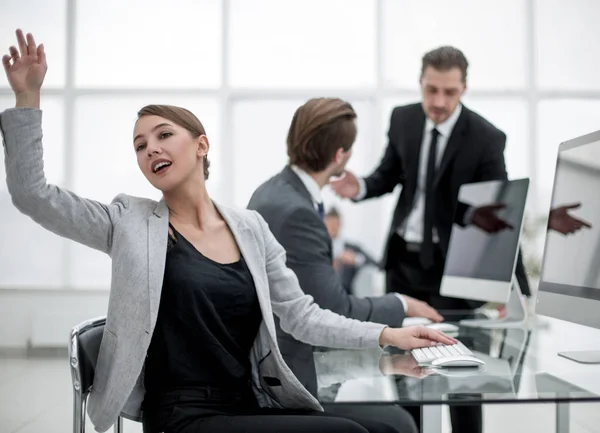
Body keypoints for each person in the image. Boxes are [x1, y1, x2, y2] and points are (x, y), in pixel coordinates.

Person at [1, 30, 457, 433]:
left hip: (249, 399)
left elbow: (303, 315)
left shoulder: (250, 228)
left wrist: (389, 334)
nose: (150, 149)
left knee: (396, 423)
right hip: (182, 414)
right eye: (140, 145)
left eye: (163, 135)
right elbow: (33, 195)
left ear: (201, 145)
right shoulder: (127, 222)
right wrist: (27, 99)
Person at [330, 46, 530, 433]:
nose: (438, 102)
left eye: (449, 93)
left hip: (456, 273)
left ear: (464, 89)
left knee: (464, 384)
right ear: (421, 83)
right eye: (431, 90)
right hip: (405, 266)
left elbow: (501, 213)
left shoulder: (487, 138)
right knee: (408, 380)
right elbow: (387, 174)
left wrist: (515, 288)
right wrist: (361, 187)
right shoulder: (403, 119)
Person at [247, 98, 443, 407]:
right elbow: (332, 308)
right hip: (292, 374)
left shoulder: (273, 191)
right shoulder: (296, 211)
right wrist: (402, 304)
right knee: (398, 422)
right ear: (340, 155)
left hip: (286, 359)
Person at [324, 206, 381, 294]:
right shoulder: (320, 248)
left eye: (336, 224)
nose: (333, 228)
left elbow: (376, 264)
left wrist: (356, 259)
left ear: (340, 224)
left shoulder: (352, 248)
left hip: (348, 298)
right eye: (330, 224)